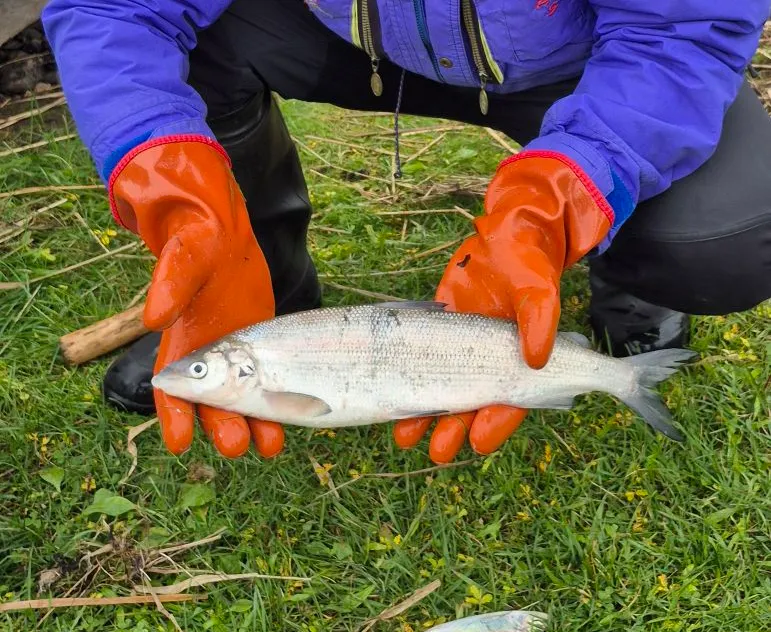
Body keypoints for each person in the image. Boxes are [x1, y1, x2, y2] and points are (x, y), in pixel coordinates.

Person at [41, 1, 771, 464]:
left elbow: (677, 35)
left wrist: (562, 197)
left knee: (722, 235)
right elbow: (114, 7)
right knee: (188, 49)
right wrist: (162, 169)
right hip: (330, 34)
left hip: (576, 62)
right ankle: (256, 281)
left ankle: (616, 272)